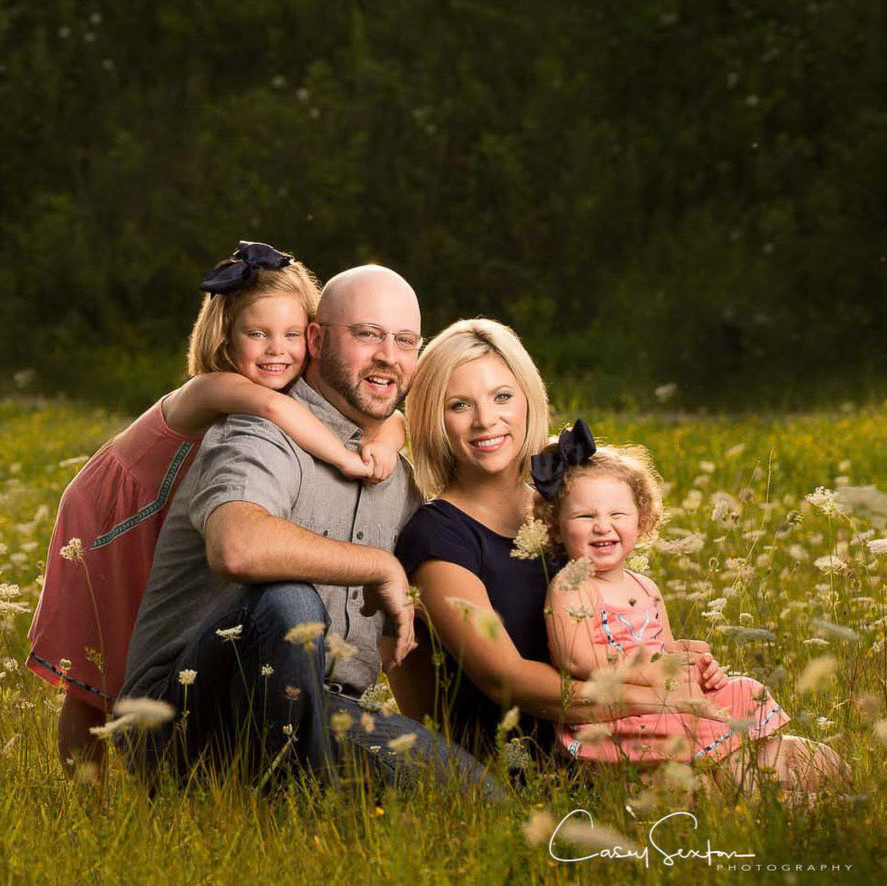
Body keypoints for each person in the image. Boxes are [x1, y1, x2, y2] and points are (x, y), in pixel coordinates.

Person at [117, 265, 501, 797]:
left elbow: (418, 637)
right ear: (316, 340)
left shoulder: (397, 479)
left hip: (324, 711)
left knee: (476, 799)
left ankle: (309, 789)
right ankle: (286, 804)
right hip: (183, 717)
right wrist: (379, 566)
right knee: (289, 603)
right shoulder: (259, 429)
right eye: (368, 335)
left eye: (405, 341)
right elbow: (236, 546)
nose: (388, 356)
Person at [27, 242, 407, 775]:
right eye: (258, 335)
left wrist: (387, 436)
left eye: (292, 335)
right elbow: (275, 408)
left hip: (170, 516)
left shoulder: (279, 385)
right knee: (96, 671)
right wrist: (348, 458)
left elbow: (393, 415)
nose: (277, 351)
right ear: (225, 338)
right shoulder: (218, 388)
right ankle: (85, 795)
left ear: (312, 338)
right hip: (115, 517)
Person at [388, 319, 716, 763]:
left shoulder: (565, 513)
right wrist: (658, 698)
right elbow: (506, 679)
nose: (486, 420)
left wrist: (672, 662)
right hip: (524, 760)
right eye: (460, 405)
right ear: (433, 418)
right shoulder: (436, 536)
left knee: (797, 758)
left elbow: (611, 637)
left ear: (528, 398)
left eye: (502, 396)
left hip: (622, 733)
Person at [533, 421, 846, 793]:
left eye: (617, 515)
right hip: (623, 713)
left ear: (642, 521)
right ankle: (736, 783)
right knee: (696, 754)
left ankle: (750, 772)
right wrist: (649, 670)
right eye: (586, 516)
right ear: (556, 528)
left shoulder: (646, 587)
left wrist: (693, 667)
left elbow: (666, 651)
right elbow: (576, 659)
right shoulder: (571, 586)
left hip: (666, 697)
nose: (603, 526)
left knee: (744, 690)